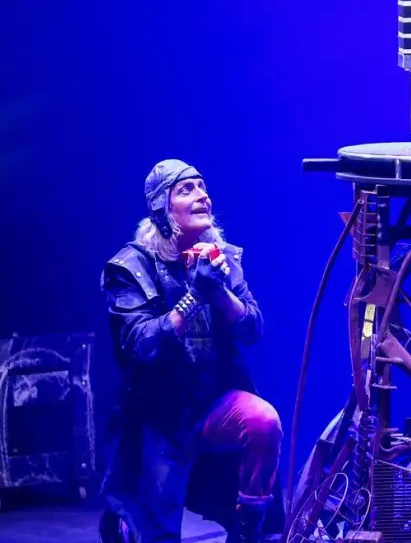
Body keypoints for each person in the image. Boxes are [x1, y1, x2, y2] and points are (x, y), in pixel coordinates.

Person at [97, 160, 283, 543]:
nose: (202, 196)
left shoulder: (221, 259)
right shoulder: (131, 267)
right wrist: (194, 296)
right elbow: (141, 344)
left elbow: (253, 328)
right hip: (158, 416)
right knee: (156, 530)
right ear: (162, 210)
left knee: (263, 420)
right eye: (187, 190)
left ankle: (249, 533)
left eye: (203, 187)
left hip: (214, 404)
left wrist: (218, 293)